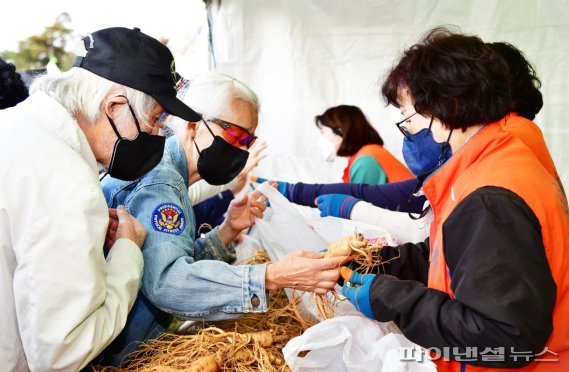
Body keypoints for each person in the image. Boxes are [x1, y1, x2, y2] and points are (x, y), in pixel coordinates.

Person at [339, 27, 569, 371]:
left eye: (410, 118)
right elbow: (458, 257)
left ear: (448, 108)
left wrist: (394, 300)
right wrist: (379, 263)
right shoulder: (494, 163)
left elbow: (506, 340)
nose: (410, 131)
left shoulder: (489, 196)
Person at [97, 72, 347, 365]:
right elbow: (167, 283)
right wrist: (273, 276)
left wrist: (227, 230)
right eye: (236, 136)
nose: (242, 150)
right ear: (193, 125)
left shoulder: (170, 175)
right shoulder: (162, 183)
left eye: (248, 140)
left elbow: (156, 263)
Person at [0, 26, 202, 371]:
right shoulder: (66, 182)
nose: (157, 135)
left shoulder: (15, 125)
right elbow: (62, 355)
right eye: (155, 120)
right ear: (115, 106)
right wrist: (127, 249)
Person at [316, 104, 413, 184]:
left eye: (323, 131)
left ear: (341, 130)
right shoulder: (367, 154)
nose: (321, 138)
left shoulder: (365, 160)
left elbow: (363, 206)